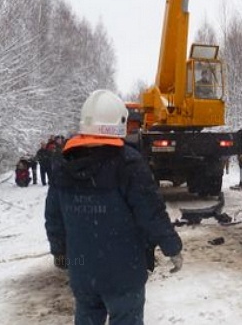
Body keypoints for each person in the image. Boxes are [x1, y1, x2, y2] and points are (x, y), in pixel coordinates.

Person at [45, 89, 183, 325]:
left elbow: (54, 218)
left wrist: (60, 253)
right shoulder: (128, 163)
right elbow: (150, 213)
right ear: (119, 123)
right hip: (125, 271)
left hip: (82, 270)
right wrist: (172, 247)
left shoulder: (63, 165)